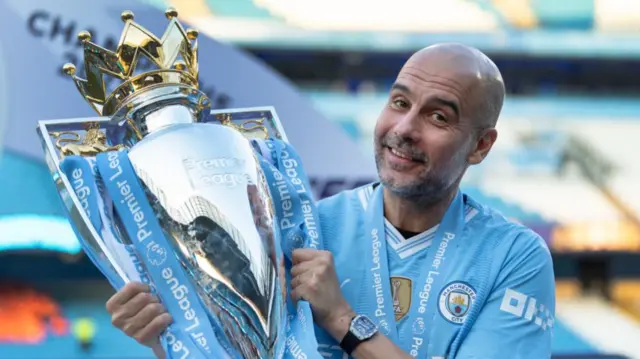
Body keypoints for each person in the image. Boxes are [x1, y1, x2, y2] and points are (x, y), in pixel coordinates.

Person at [106, 43, 555, 359]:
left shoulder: (513, 257)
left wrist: (341, 318)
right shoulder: (301, 229)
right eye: (400, 102)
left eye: (438, 116)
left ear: (481, 146)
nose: (405, 129)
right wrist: (169, 339)